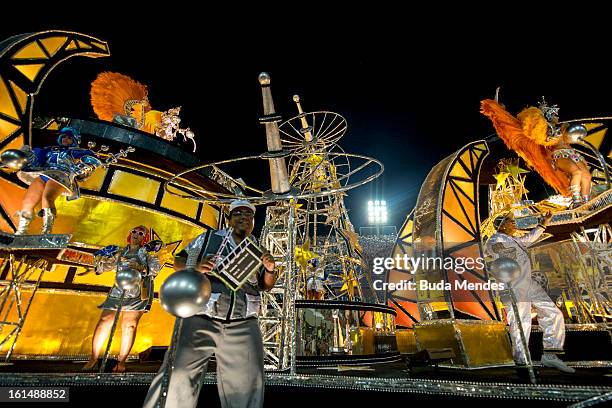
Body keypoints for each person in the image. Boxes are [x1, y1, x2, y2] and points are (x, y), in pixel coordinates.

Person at [143, 199, 277, 408]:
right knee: (179, 372)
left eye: (249, 215)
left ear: (253, 221)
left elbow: (265, 286)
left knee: (248, 381)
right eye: (238, 213)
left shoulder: (257, 248)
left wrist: (270, 269)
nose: (244, 218)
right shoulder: (208, 238)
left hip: (244, 321)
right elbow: (179, 259)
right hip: (202, 316)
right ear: (229, 218)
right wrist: (195, 266)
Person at [485, 211, 575, 373]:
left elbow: (528, 239)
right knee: (521, 322)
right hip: (513, 285)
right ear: (502, 225)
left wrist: (543, 224)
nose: (514, 224)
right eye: (511, 221)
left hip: (528, 283)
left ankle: (550, 355)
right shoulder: (494, 239)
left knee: (553, 313)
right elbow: (499, 254)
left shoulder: (513, 239)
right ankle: (522, 361)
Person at [481, 97, 592, 208]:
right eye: (554, 114)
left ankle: (587, 201)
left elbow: (572, 135)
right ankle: (576, 201)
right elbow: (543, 141)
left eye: (557, 115)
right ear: (548, 116)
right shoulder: (544, 130)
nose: (556, 117)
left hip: (572, 153)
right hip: (559, 155)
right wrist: (554, 135)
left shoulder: (563, 126)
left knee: (587, 176)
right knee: (576, 172)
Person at [82, 225, 161, 373]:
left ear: (145, 238)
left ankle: (121, 361)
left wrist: (141, 267)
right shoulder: (119, 252)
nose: (136, 234)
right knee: (104, 321)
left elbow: (155, 268)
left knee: (129, 325)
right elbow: (104, 266)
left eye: (140, 233)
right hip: (118, 291)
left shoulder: (148, 255)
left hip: (138, 292)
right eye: (134, 231)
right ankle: (93, 358)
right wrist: (99, 263)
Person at [0, 127, 101, 235]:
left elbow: (92, 159)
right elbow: (37, 162)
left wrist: (83, 166)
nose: (65, 139)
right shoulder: (48, 149)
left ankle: (47, 232)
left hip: (60, 175)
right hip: (43, 173)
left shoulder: (75, 151)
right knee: (28, 201)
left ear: (74, 140)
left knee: (47, 198)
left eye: (69, 138)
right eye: (64, 137)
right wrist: (27, 156)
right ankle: (21, 231)